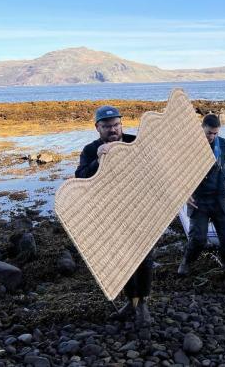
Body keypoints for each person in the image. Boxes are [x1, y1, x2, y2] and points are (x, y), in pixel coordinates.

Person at [75, 105, 154, 326]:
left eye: (116, 124)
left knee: (145, 259)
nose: (113, 129)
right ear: (97, 128)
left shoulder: (135, 143)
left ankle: (143, 304)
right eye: (107, 126)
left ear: (122, 124)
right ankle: (132, 302)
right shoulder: (91, 150)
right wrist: (97, 161)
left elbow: (156, 169)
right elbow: (80, 179)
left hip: (142, 210)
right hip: (112, 214)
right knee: (124, 260)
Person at [177, 113, 225, 286]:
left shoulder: (223, 144)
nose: (211, 137)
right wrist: (184, 191)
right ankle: (186, 262)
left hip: (219, 198)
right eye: (209, 132)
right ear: (201, 128)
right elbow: (178, 171)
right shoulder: (189, 147)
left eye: (215, 133)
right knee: (198, 239)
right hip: (198, 199)